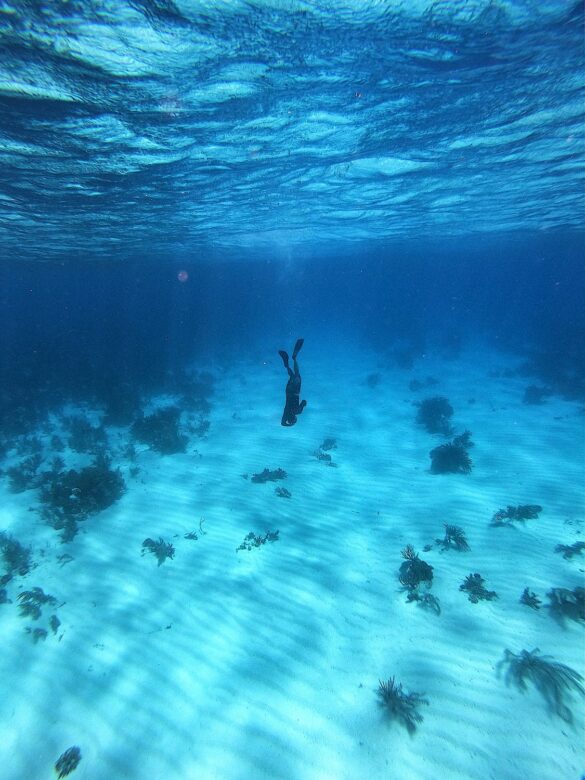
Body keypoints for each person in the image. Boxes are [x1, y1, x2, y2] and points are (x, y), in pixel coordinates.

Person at [279, 338, 307, 426]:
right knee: (292, 376)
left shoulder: (298, 411)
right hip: (288, 391)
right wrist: (289, 424)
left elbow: (304, 402)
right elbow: (282, 423)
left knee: (297, 375)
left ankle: (294, 358)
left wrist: (302, 406)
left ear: (294, 418)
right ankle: (287, 366)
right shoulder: (286, 413)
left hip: (295, 392)